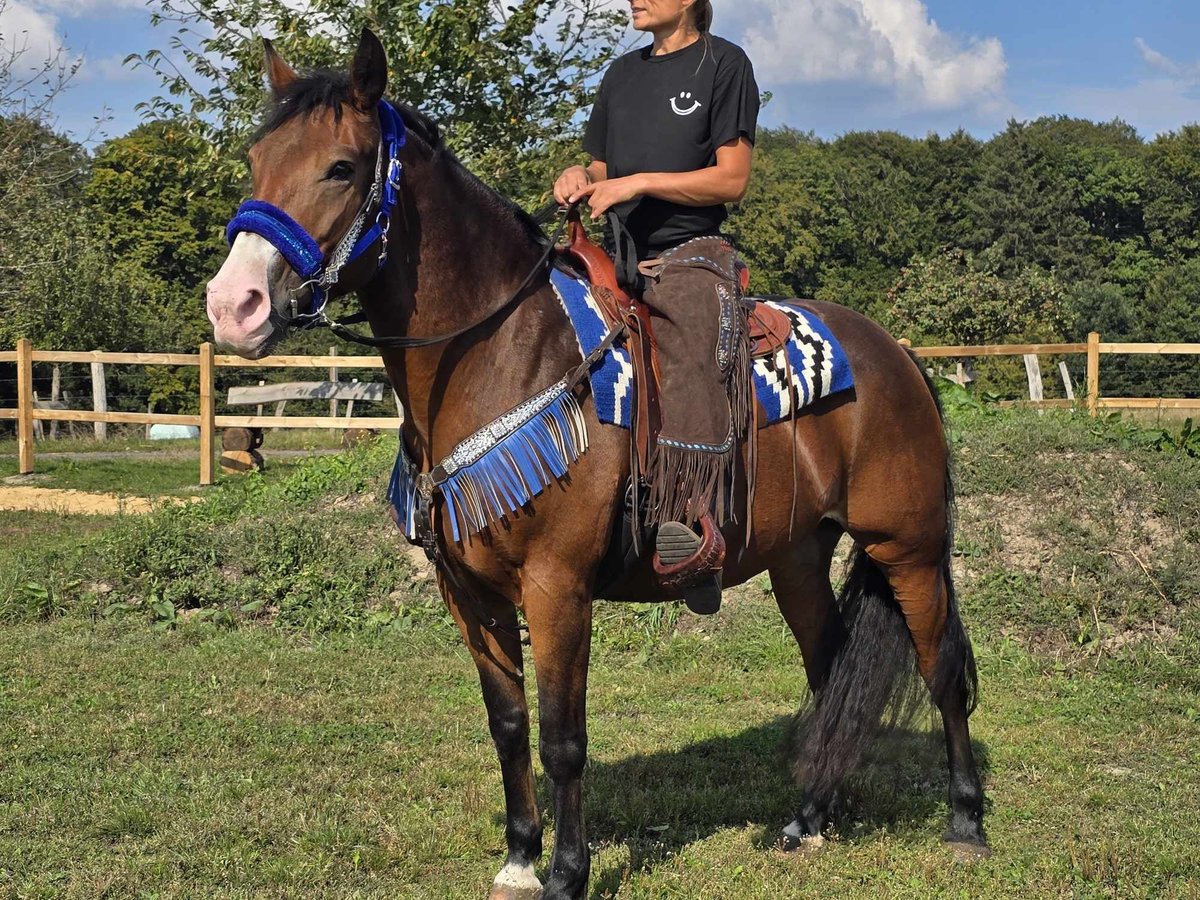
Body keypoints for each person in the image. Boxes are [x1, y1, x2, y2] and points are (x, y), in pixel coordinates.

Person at [554, 0, 760, 614]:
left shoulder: (724, 64)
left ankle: (695, 529)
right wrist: (577, 176)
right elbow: (599, 167)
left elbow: (731, 180)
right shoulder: (621, 75)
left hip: (690, 255)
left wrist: (640, 182)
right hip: (611, 254)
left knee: (692, 340)